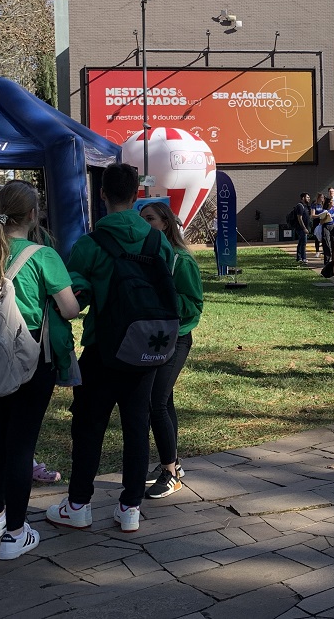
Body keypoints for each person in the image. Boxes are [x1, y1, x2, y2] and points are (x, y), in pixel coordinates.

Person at [49, 164, 194, 534]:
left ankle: (78, 503)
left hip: (102, 347)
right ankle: (130, 507)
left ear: (102, 194)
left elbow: (74, 298)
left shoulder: (89, 243)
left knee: (88, 425)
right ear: (135, 196)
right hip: (145, 347)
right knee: (136, 424)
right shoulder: (156, 240)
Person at [0, 181, 80, 559]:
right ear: (32, 215)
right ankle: (15, 532)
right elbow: (70, 309)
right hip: (31, 359)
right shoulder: (43, 257)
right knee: (21, 444)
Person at [139, 201, 204, 500]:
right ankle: (173, 462)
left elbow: (193, 305)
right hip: (150, 338)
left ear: (165, 223)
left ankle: (171, 474)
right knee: (165, 401)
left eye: (150, 219)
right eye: (141, 219)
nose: (145, 224)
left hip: (177, 338)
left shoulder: (181, 260)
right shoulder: (145, 257)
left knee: (156, 402)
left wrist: (161, 302)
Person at [289, 193, 312, 266]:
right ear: (303, 198)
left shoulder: (306, 206)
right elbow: (300, 218)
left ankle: (299, 257)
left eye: (309, 197)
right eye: (307, 197)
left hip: (303, 228)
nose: (309, 198)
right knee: (303, 243)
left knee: (301, 242)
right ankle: (303, 258)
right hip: (300, 228)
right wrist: (304, 228)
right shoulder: (300, 206)